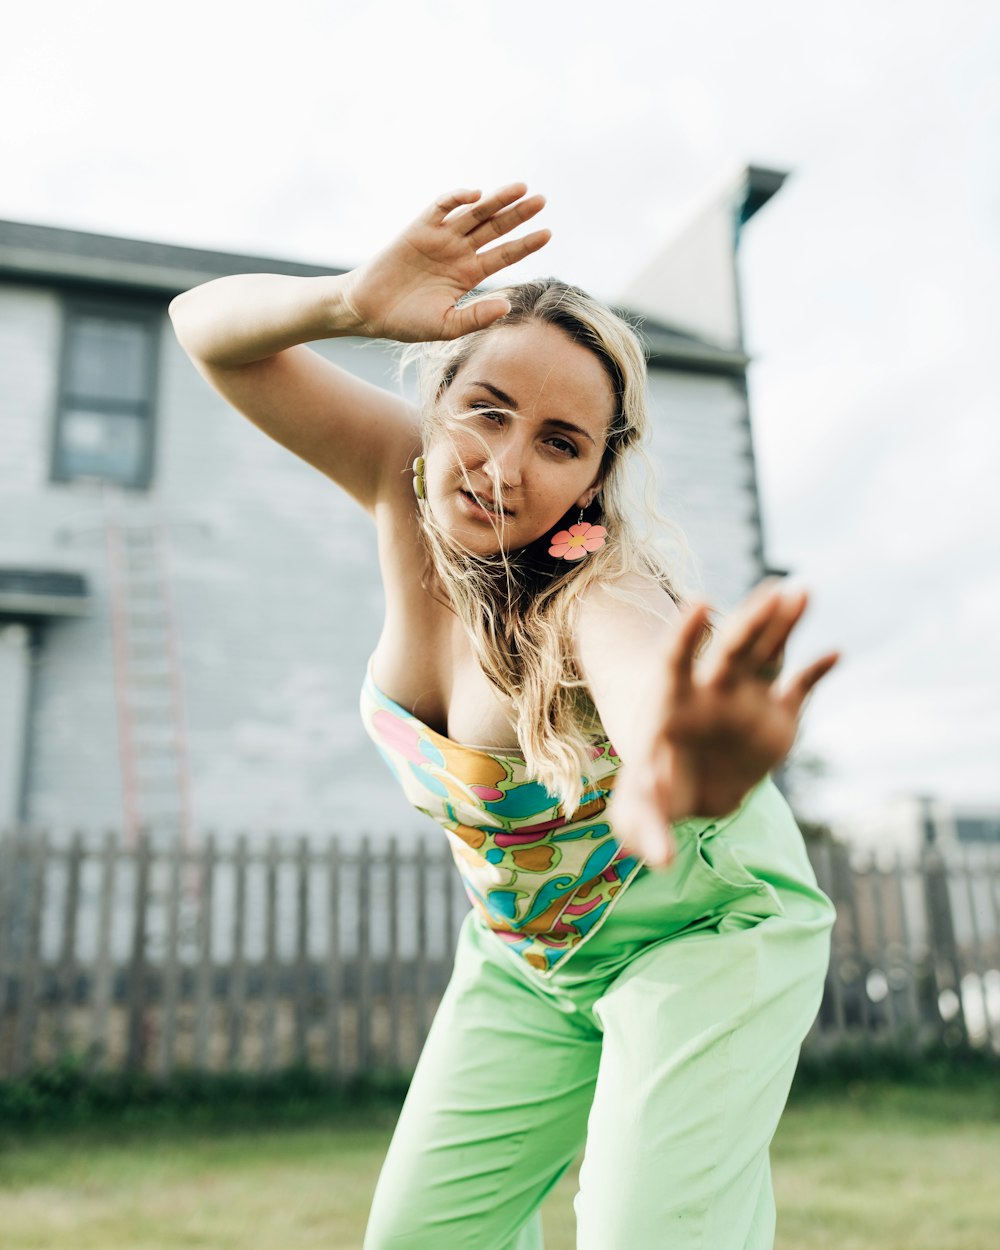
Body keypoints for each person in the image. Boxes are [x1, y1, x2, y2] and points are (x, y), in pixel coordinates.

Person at [169, 182, 839, 1250]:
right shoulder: (403, 484)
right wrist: (349, 297)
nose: (503, 464)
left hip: (702, 932)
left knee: (643, 1230)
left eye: (560, 441)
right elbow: (204, 328)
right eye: (486, 409)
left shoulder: (593, 591)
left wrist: (680, 763)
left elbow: (647, 689)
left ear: (592, 480)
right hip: (528, 957)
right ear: (437, 395)